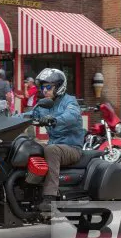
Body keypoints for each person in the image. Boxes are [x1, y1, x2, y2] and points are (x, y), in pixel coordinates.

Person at [27, 68, 85, 212]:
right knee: (29, 148)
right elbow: (29, 115)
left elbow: (72, 116)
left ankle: (50, 197)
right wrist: (9, 117)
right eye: (42, 87)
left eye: (48, 87)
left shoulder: (69, 101)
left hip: (71, 148)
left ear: (59, 87)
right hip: (54, 145)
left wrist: (54, 119)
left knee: (51, 150)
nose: (44, 90)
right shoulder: (43, 104)